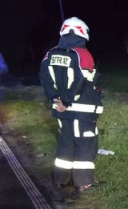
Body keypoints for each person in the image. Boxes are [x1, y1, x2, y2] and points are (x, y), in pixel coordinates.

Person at [39, 17, 104, 193]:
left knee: (66, 144)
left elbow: (44, 79)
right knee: (86, 144)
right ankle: (83, 182)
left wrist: (54, 99)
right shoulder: (82, 53)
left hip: (61, 109)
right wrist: (67, 101)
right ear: (83, 32)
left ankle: (61, 179)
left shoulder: (50, 53)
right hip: (81, 109)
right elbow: (80, 81)